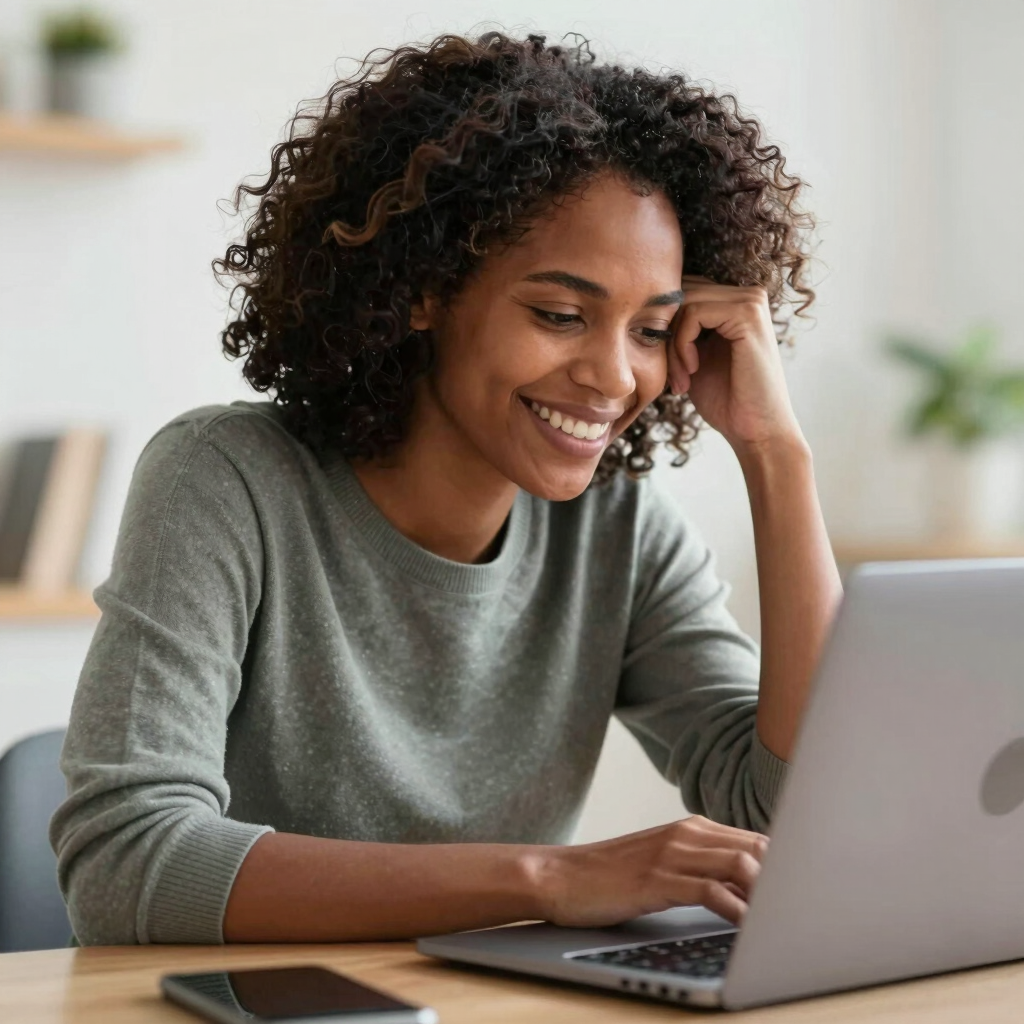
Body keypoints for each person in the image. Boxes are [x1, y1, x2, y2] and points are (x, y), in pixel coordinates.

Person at [50, 31, 842, 946]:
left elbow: (789, 810)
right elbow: (127, 865)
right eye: (560, 314)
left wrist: (777, 456)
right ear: (424, 288)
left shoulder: (618, 533)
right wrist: (549, 876)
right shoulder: (228, 481)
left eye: (653, 331)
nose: (614, 376)